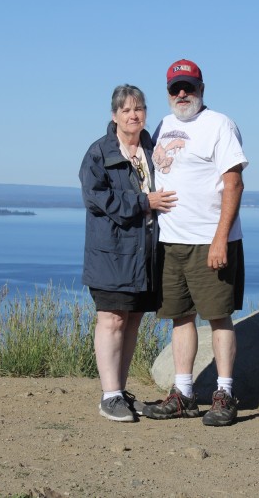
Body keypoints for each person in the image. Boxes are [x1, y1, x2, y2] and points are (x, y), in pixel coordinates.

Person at [142, 59, 248, 427]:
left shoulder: (220, 125)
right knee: (180, 317)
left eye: (188, 86)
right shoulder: (163, 125)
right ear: (168, 92)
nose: (182, 93)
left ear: (202, 88)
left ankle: (224, 394)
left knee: (219, 317)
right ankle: (184, 394)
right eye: (175, 88)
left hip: (210, 241)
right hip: (171, 241)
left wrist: (220, 239)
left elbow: (233, 184)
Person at [79, 84, 178, 422]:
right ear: (114, 116)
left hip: (143, 255)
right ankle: (109, 396)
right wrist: (142, 202)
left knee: (132, 319)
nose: (133, 115)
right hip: (110, 253)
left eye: (138, 109)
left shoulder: (152, 149)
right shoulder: (99, 153)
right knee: (111, 319)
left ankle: (119, 392)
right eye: (126, 110)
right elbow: (96, 199)